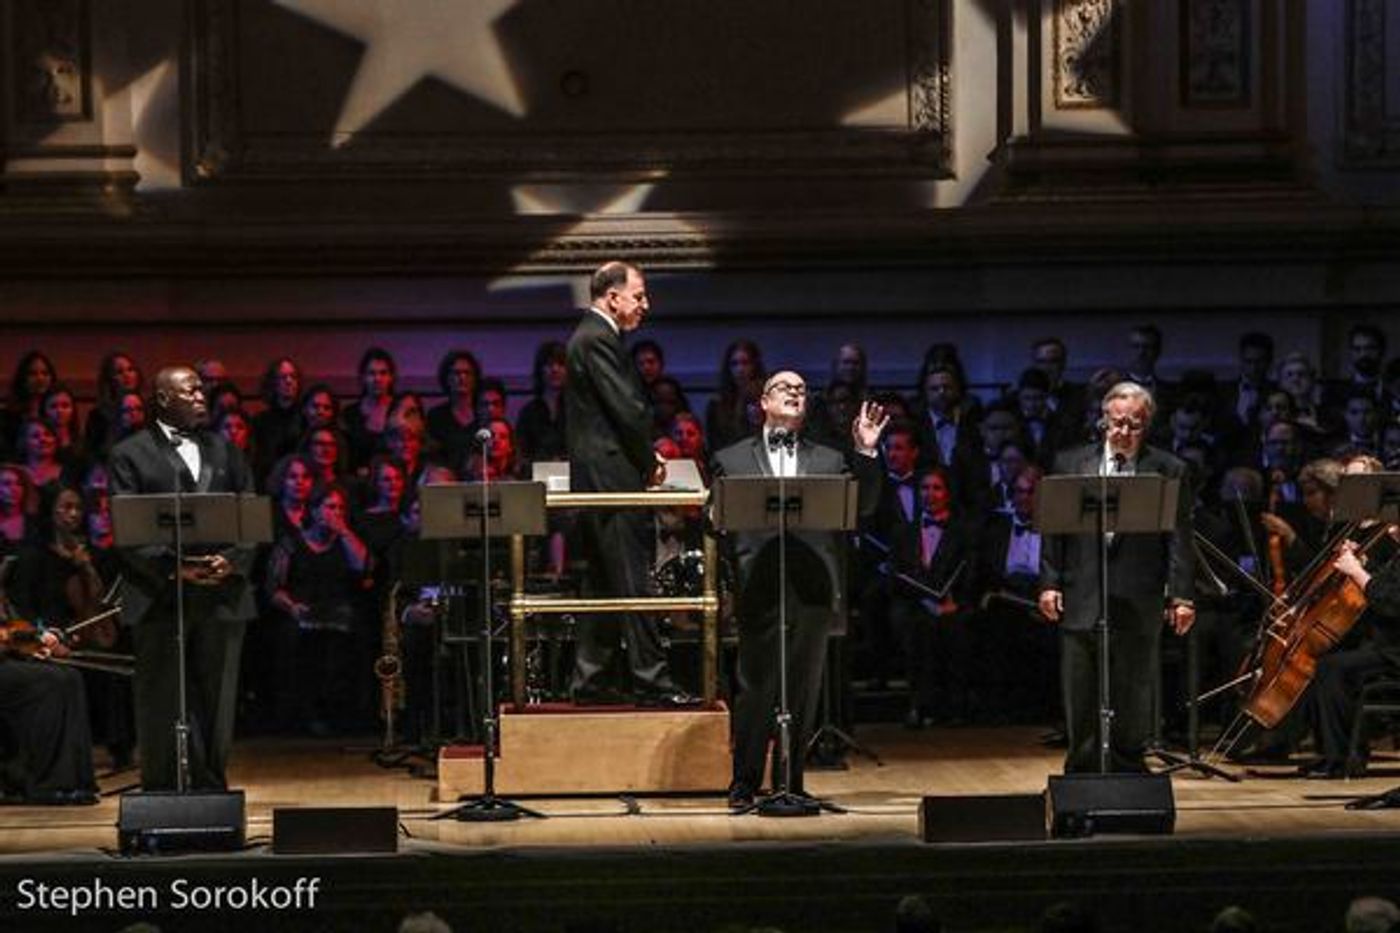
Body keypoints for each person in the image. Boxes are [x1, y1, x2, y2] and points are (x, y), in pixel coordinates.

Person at [713, 370, 887, 808]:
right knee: (756, 687)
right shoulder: (730, 459)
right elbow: (715, 521)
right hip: (759, 584)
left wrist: (865, 449)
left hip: (811, 585)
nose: (795, 392)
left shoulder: (829, 460)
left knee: (804, 687)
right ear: (763, 403)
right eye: (783, 387)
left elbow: (862, 505)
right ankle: (745, 783)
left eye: (802, 389)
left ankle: (790, 780)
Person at [108, 365, 257, 791]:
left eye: (200, 389)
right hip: (160, 596)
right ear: (162, 398)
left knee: (218, 697)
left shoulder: (227, 449)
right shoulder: (129, 453)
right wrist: (174, 567)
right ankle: (162, 788)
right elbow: (127, 528)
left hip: (222, 592)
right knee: (161, 697)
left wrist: (233, 561)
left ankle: (212, 787)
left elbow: (251, 513)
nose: (199, 396)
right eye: (189, 390)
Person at [1038, 381, 1195, 774]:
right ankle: (1082, 769)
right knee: (1080, 688)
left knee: (1133, 688)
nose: (1124, 432)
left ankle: (1128, 767)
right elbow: (1053, 530)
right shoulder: (1071, 463)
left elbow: (1179, 537)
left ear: (1147, 426)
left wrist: (1181, 596)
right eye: (1117, 423)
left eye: (1134, 425)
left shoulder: (1168, 469)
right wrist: (1049, 582)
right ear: (1103, 421)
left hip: (1137, 594)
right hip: (1082, 590)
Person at [565, 261, 693, 706]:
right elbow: (628, 409)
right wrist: (650, 458)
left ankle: (589, 681)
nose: (645, 304)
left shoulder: (592, 336)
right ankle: (653, 682)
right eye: (638, 295)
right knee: (632, 580)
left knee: (604, 582)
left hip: (601, 476)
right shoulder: (597, 337)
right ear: (611, 296)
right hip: (611, 476)